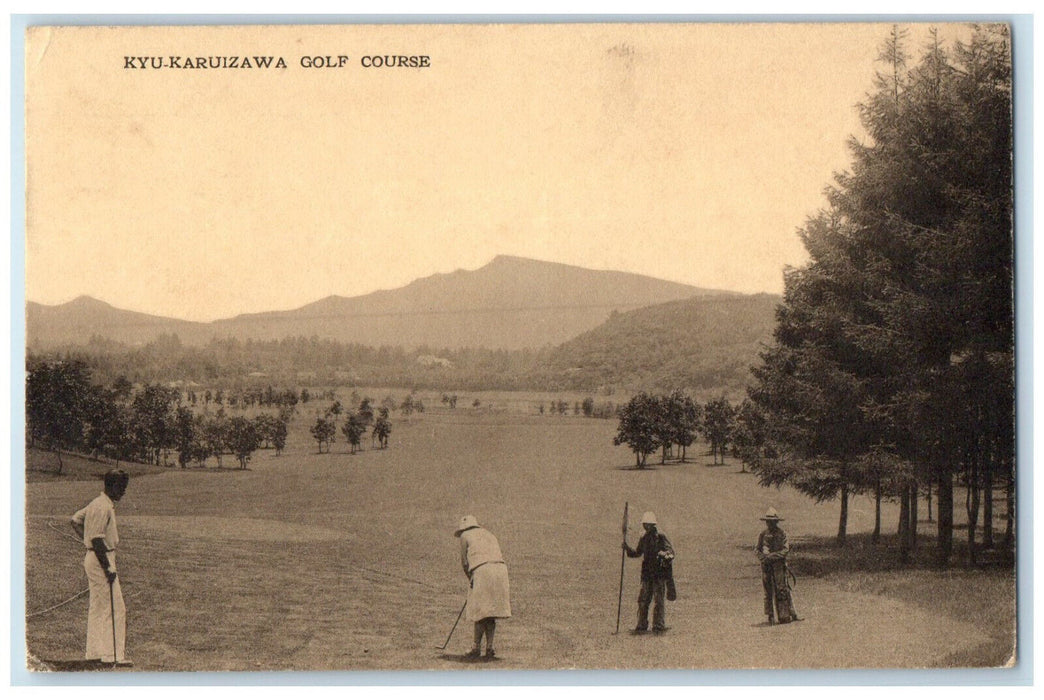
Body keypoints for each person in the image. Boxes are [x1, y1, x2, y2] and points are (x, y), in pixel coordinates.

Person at [70, 470, 131, 665]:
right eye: (121, 488)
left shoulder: (98, 503)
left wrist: (87, 542)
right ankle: (111, 656)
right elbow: (96, 538)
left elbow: (75, 521)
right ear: (112, 486)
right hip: (101, 559)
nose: (123, 492)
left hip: (96, 556)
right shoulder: (102, 507)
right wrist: (108, 568)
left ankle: (95, 653)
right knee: (114, 608)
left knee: (99, 607)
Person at [455, 515, 511, 659]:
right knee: (490, 612)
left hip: (483, 570)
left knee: (479, 612)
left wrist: (471, 579)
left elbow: (465, 563)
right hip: (500, 570)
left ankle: (476, 647)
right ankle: (490, 647)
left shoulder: (465, 536)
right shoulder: (489, 534)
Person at [623, 511, 675, 633]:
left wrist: (665, 554)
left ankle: (658, 626)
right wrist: (627, 548)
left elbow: (671, 552)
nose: (646, 526)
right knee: (643, 600)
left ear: (653, 525)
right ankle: (641, 625)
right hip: (647, 574)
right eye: (645, 524)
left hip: (659, 574)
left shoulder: (661, 536)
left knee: (658, 601)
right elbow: (637, 553)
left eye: (648, 524)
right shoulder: (644, 538)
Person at [755, 507, 798, 624]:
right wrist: (763, 557)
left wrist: (773, 556)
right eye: (768, 521)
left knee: (782, 588)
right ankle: (770, 615)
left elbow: (785, 550)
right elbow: (757, 549)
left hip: (779, 565)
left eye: (772, 521)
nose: (770, 524)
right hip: (766, 566)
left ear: (776, 522)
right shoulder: (763, 534)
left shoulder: (782, 534)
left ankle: (785, 614)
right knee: (768, 591)